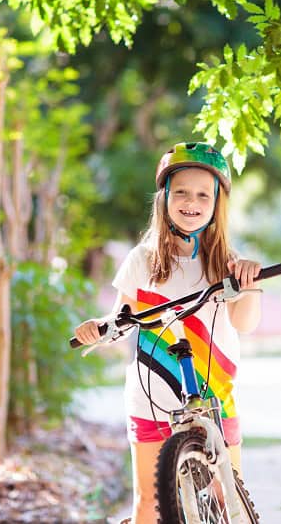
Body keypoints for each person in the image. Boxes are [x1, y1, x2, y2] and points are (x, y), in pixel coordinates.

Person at [74, 142, 262, 524]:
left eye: (203, 195)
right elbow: (121, 318)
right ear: (164, 199)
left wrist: (249, 285)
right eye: (182, 193)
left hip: (214, 394)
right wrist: (98, 329)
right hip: (151, 397)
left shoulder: (226, 261)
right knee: (148, 502)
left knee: (227, 496)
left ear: (216, 203)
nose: (192, 202)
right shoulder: (142, 260)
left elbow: (244, 323)